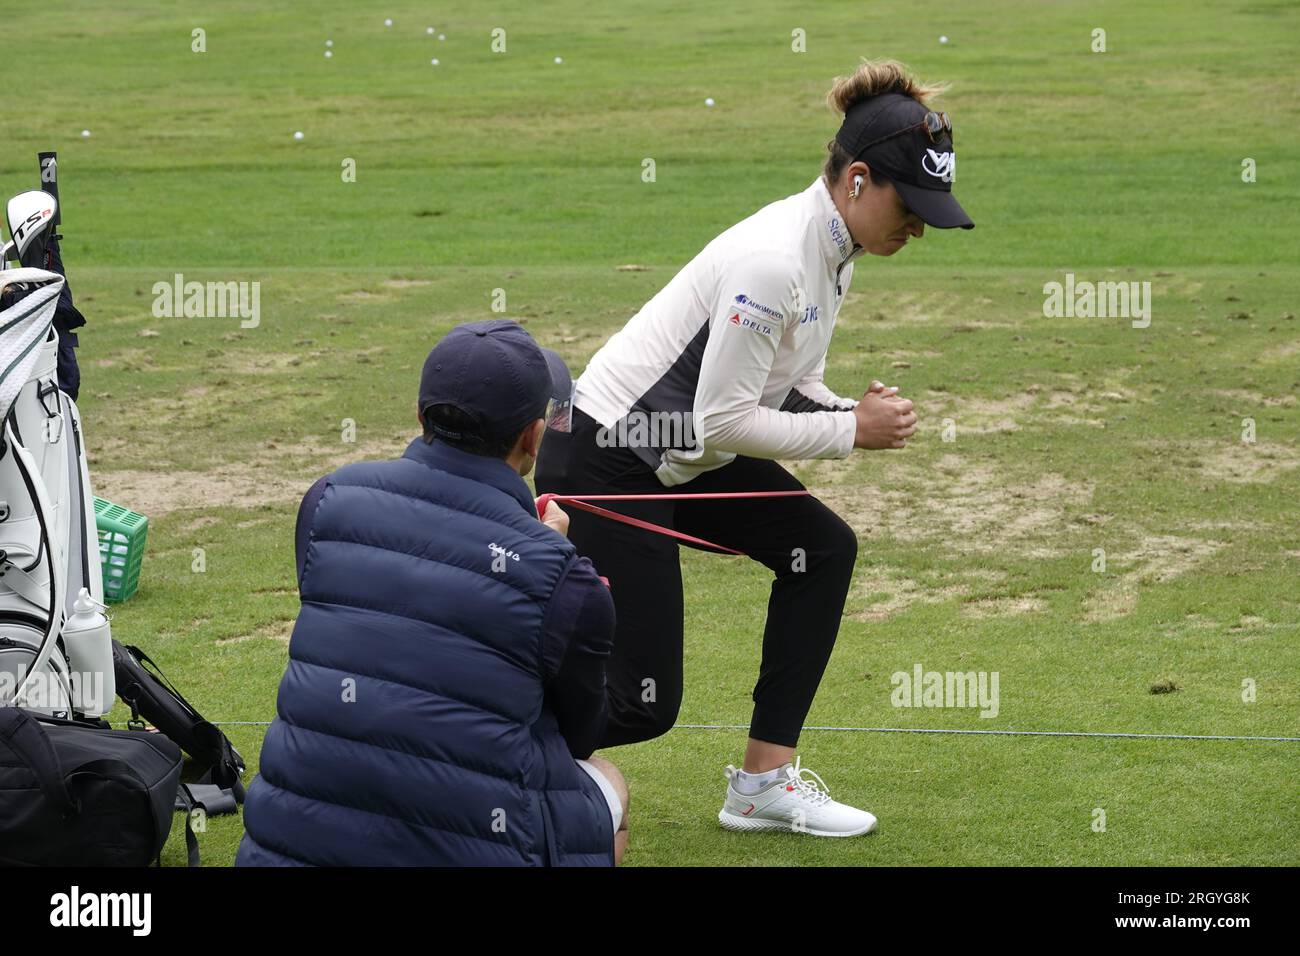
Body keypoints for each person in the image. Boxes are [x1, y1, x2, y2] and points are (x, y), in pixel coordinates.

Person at [534, 60, 974, 837]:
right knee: (641, 703)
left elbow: (781, 388)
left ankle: (762, 783)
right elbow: (721, 424)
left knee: (822, 549)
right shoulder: (775, 261)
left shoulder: (833, 249)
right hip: (609, 453)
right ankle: (475, 752)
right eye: (912, 206)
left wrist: (850, 408)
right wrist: (851, 431)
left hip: (670, 448)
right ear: (858, 181)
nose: (920, 227)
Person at [237, 319, 628, 866]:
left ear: (421, 416)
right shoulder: (565, 577)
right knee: (606, 783)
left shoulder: (327, 499)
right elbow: (582, 735)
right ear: (534, 436)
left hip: (284, 848)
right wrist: (547, 559)